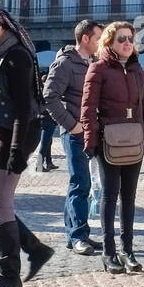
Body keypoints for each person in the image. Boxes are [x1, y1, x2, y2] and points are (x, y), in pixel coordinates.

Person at [0, 4, 53, 287]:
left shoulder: (16, 56)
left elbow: (22, 108)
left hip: (17, 134)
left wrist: (17, 150)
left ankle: (9, 275)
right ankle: (33, 247)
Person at [81, 21, 144, 271]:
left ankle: (128, 250)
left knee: (129, 198)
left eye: (130, 39)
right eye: (121, 39)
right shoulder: (98, 69)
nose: (127, 43)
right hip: (109, 142)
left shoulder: (137, 70)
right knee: (109, 196)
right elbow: (88, 109)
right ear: (109, 42)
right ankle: (108, 251)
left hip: (135, 139)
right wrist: (90, 140)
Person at [43, 20, 102, 252]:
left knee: (80, 183)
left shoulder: (94, 62)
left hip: (92, 132)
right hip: (75, 133)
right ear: (85, 39)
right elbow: (49, 97)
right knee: (81, 183)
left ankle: (74, 233)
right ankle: (79, 236)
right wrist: (72, 124)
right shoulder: (65, 63)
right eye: (97, 38)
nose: (100, 42)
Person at [35, 68, 58, 172]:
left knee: (48, 142)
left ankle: (49, 162)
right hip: (47, 119)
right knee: (45, 143)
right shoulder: (45, 91)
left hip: (46, 119)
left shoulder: (41, 90)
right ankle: (39, 165)